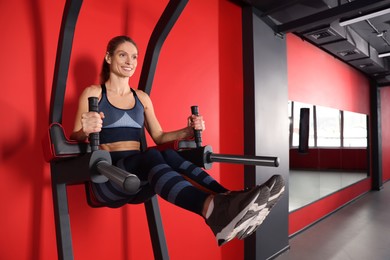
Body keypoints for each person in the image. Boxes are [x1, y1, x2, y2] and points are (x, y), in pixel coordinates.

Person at [70, 35, 285, 246]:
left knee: (168, 154)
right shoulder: (94, 93)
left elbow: (160, 136)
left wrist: (188, 130)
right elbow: (74, 136)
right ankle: (215, 207)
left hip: (140, 180)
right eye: (123, 55)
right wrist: (85, 129)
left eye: (134, 57)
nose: (130, 62)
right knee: (153, 155)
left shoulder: (141, 98)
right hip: (110, 178)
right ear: (108, 58)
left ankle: (229, 200)